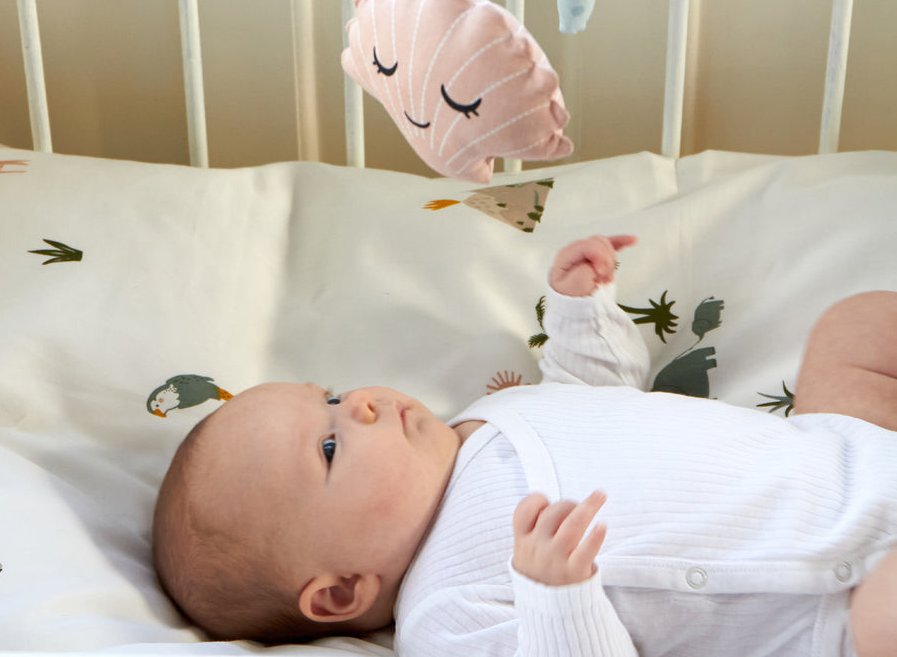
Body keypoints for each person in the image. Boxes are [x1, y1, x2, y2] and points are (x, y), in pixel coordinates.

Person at [152, 235, 897, 656]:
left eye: (337, 397)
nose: (365, 406)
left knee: (856, 327)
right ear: (342, 591)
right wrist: (556, 596)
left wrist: (581, 311)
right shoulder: (444, 612)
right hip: (837, 589)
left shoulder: (489, 413)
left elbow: (594, 392)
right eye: (329, 446)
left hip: (841, 451)